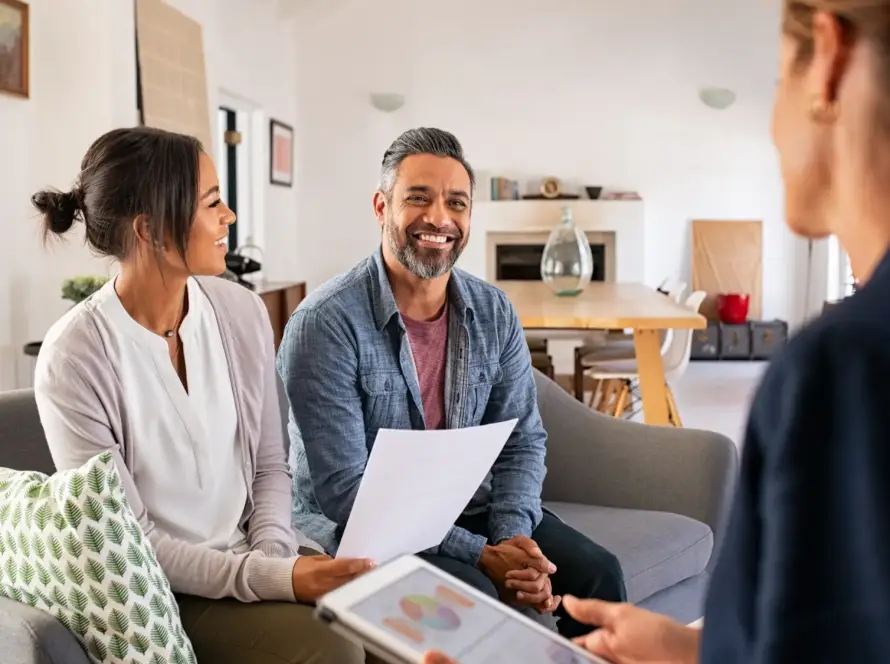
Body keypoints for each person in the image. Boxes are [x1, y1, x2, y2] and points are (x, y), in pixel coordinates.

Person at [424, 0, 890, 662]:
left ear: (829, 59)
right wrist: (689, 650)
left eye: (779, 82)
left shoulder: (840, 369)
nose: (775, 124)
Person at [31, 126, 373, 664]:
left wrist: (273, 565)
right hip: (170, 590)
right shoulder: (74, 358)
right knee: (335, 651)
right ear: (148, 229)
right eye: (212, 202)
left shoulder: (241, 312)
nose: (229, 217)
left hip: (260, 553)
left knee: (400, 633)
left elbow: (267, 466)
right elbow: (130, 541)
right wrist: (268, 579)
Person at [276, 127, 626, 639]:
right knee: (475, 599)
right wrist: (483, 557)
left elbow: (521, 441)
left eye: (456, 203)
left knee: (600, 574)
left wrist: (513, 543)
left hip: (471, 506)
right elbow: (347, 494)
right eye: (418, 198)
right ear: (381, 207)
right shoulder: (324, 324)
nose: (439, 218)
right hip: (367, 528)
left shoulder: (493, 311)